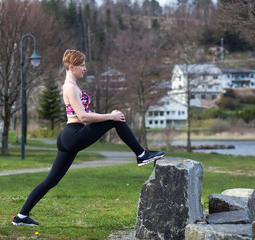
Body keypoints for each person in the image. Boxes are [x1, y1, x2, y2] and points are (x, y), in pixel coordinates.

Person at [12, 49, 165, 226]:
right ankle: (141, 154)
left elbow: (87, 114)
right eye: (82, 65)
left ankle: (21, 216)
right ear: (71, 67)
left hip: (69, 136)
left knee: (50, 181)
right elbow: (83, 117)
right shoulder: (70, 87)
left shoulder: (72, 86)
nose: (85, 69)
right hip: (73, 134)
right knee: (117, 120)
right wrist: (110, 116)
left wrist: (109, 115)